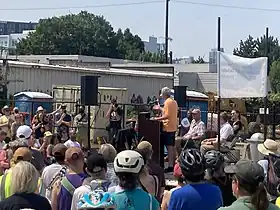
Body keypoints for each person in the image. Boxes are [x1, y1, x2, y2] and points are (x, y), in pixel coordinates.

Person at [153, 87, 178, 173]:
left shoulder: (167, 102)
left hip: (167, 127)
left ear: (164, 94)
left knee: (169, 147)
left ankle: (170, 166)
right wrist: (160, 109)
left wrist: (156, 119)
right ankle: (173, 164)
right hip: (173, 126)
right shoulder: (174, 102)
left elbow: (167, 116)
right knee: (172, 146)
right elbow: (169, 113)